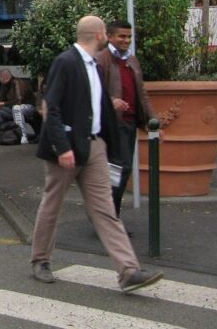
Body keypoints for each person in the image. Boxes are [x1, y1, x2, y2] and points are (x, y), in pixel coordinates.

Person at [30, 16, 162, 293]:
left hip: (94, 147)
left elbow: (100, 109)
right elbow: (50, 107)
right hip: (66, 149)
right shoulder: (65, 62)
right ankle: (40, 260)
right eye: (107, 32)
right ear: (100, 34)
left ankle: (128, 271)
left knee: (106, 211)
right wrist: (62, 147)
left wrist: (111, 147)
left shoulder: (96, 66)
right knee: (52, 205)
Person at [95, 20, 154, 218]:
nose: (126, 40)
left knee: (121, 170)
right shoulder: (101, 59)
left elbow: (142, 93)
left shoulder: (132, 60)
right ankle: (108, 218)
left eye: (129, 36)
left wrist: (153, 122)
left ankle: (109, 216)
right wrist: (111, 101)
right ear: (110, 37)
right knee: (119, 169)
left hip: (129, 123)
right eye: (121, 36)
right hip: (112, 125)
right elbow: (92, 91)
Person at [0, 68, 38, 143]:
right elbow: (0, 98)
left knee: (16, 108)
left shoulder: (17, 82)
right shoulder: (4, 85)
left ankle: (22, 136)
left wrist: (3, 104)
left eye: (0, 77)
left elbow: (19, 100)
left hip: (29, 107)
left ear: (3, 77)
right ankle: (1, 133)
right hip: (12, 108)